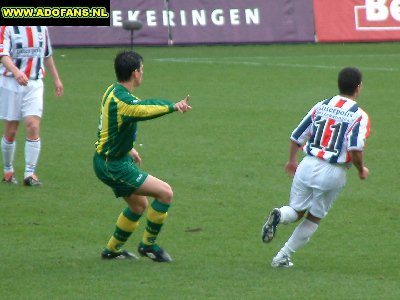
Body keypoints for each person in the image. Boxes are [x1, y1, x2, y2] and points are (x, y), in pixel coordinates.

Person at [261, 67, 370, 268]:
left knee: (295, 210)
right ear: (358, 87)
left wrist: (292, 160)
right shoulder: (359, 116)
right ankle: (282, 257)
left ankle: (280, 214)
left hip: (307, 164)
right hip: (332, 172)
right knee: (313, 218)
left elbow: (297, 135)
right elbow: (355, 149)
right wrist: (361, 169)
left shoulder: (322, 105)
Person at [93, 50, 191, 262]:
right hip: (113, 166)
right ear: (135, 73)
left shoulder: (112, 91)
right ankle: (148, 246)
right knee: (165, 193)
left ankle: (111, 251)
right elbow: (144, 109)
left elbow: (111, 126)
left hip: (110, 158)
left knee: (138, 206)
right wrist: (173, 106)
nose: (143, 73)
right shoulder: (126, 103)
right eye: (142, 69)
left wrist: (128, 147)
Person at [0, 26, 63, 186]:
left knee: (33, 126)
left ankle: (30, 173)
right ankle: (8, 170)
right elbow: (2, 54)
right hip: (10, 83)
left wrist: (56, 78)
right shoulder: (7, 27)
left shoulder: (42, 28)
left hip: (34, 84)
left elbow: (46, 55)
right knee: (11, 131)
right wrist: (16, 71)